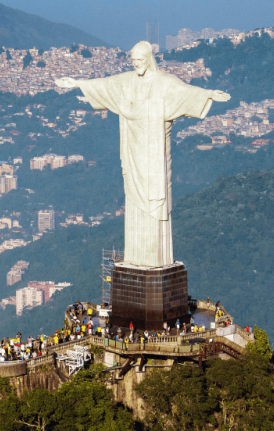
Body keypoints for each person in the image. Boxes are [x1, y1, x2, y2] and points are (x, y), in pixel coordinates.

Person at [55, 42, 230, 267]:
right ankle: (137, 258)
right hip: (133, 150)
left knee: (155, 199)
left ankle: (156, 259)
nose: (136, 64)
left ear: (149, 59)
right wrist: (77, 83)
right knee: (135, 200)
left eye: (140, 60)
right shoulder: (127, 81)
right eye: (133, 61)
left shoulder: (164, 83)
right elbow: (106, 85)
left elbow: (185, 91)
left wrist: (209, 94)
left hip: (155, 152)